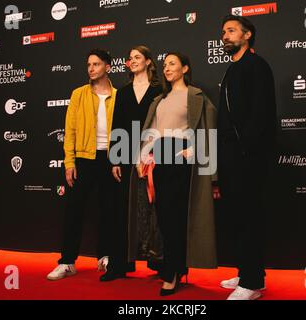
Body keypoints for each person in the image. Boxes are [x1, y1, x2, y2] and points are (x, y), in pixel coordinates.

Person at [130, 52, 218, 296]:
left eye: (172, 64)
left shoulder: (196, 96)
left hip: (180, 159)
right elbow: (152, 131)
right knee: (164, 217)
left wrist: (193, 149)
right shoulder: (160, 99)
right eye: (165, 64)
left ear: (185, 68)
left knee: (177, 216)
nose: (167, 68)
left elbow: (208, 130)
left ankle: (172, 272)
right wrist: (143, 156)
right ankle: (174, 266)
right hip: (160, 158)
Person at [215, 15, 276, 300]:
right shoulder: (232, 68)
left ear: (247, 34)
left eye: (231, 31)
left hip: (247, 157)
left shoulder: (256, 66)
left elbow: (260, 114)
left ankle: (251, 284)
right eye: (223, 32)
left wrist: (246, 151)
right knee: (237, 217)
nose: (225, 36)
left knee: (250, 217)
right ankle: (248, 273)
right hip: (229, 156)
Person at [47, 49, 117, 281]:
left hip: (109, 160)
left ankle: (105, 257)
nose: (91, 68)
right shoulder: (78, 94)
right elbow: (71, 131)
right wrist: (69, 162)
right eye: (88, 64)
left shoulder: (119, 95)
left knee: (108, 210)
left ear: (108, 67)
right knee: (74, 212)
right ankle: (67, 262)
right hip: (84, 160)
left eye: (96, 64)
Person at [102, 45, 162, 281]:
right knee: (122, 211)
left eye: (137, 57)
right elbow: (117, 125)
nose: (132, 61)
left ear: (148, 61)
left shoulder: (159, 90)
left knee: (154, 208)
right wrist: (115, 159)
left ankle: (160, 263)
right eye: (129, 59)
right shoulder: (124, 92)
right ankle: (119, 265)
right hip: (126, 156)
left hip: (153, 156)